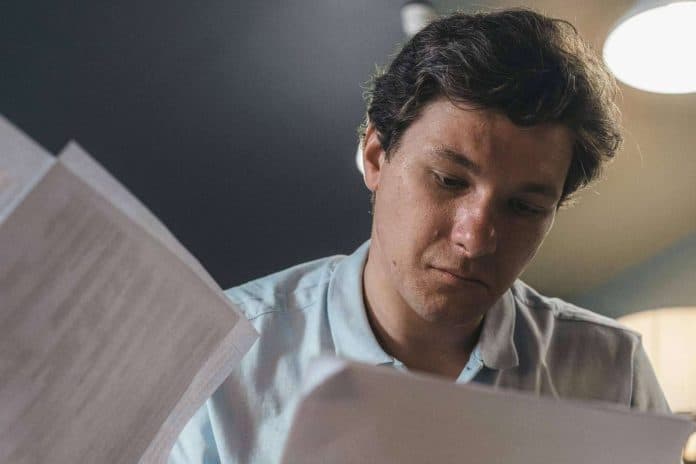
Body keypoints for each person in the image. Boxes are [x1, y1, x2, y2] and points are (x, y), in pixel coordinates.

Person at [170, 8, 669, 464]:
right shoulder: (223, 356)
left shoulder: (613, 373)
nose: (476, 239)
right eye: (449, 180)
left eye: (524, 207)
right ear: (375, 157)